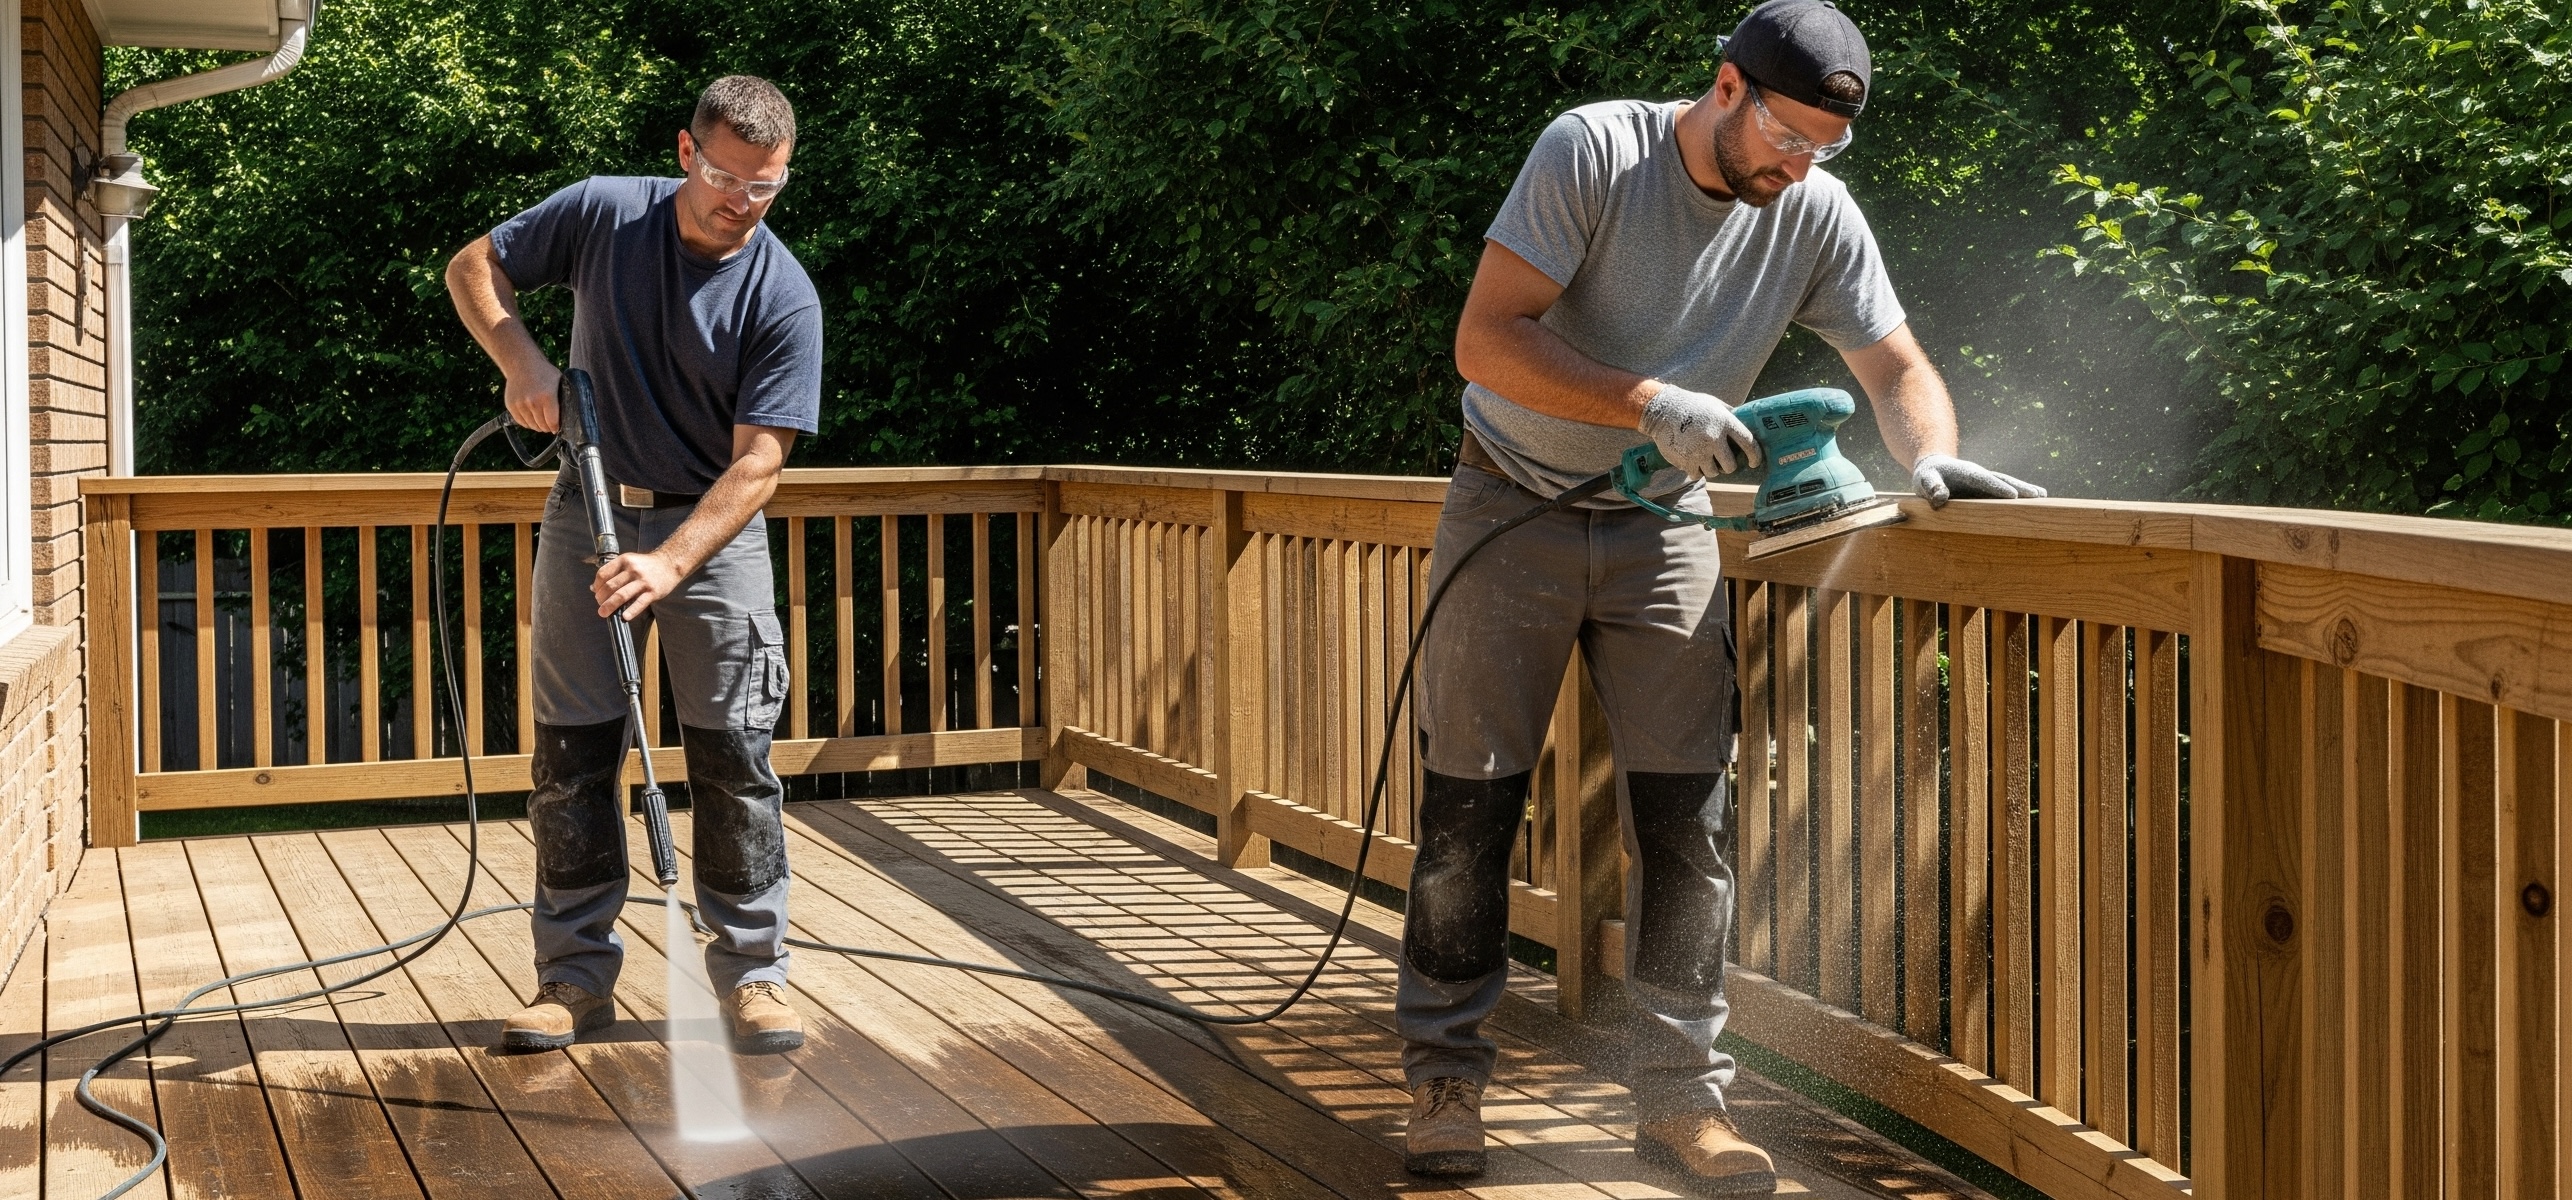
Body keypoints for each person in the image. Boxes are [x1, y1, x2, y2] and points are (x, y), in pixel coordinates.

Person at [1397, 0, 2042, 1189]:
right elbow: (1486, 340)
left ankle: (1680, 1104)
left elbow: (1896, 366)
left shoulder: (1813, 208)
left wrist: (1929, 453)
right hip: (1511, 505)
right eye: (1785, 136)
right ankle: (1444, 1080)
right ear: (1727, 89)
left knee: (1684, 824)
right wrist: (1651, 402)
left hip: (1663, 525)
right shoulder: (1593, 149)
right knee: (1467, 810)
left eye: (1824, 149)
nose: (1798, 164)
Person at [444, 74, 823, 1056]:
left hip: (715, 533)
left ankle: (754, 975)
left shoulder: (781, 293)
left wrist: (670, 565)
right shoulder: (605, 213)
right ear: (686, 152)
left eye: (766, 185)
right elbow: (474, 265)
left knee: (734, 756)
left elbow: (760, 462)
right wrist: (520, 359)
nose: (743, 201)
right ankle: (571, 981)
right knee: (573, 755)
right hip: (589, 510)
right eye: (728, 178)